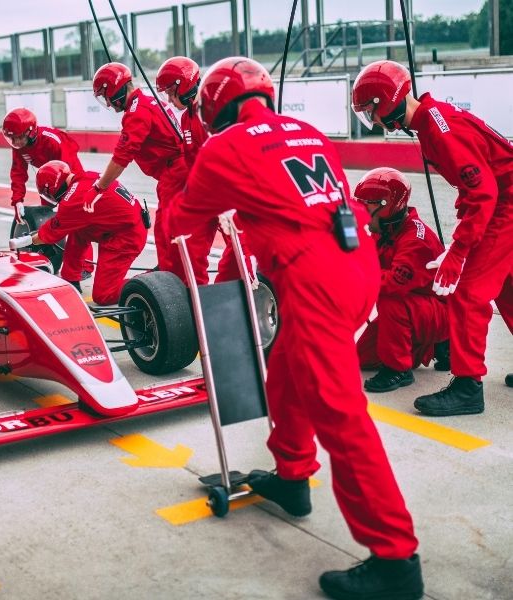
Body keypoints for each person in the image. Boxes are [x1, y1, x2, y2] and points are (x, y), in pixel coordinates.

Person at [171, 57, 422, 600]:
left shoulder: (221, 147)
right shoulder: (306, 131)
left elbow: (181, 221)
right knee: (285, 369)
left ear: (217, 107)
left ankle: (395, 560)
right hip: (359, 264)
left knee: (341, 416)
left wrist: (194, 166)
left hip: (316, 281)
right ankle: (291, 476)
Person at [352, 60, 512, 416]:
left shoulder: (437, 129)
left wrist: (459, 251)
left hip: (506, 203)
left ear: (384, 103)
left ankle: (468, 387)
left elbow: (483, 192)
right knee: (505, 286)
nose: (375, 123)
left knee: (469, 293)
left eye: (371, 113)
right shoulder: (432, 121)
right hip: (504, 199)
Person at [353, 167, 449, 392]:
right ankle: (436, 346)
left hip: (438, 312)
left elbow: (392, 283)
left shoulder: (416, 241)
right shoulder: (386, 230)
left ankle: (398, 370)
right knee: (362, 358)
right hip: (417, 309)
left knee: (391, 300)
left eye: (368, 204)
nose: (362, 209)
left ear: (388, 205)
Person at [91, 62, 188, 279]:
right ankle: (172, 270)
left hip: (174, 172)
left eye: (105, 96)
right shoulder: (148, 100)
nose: (107, 102)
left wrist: (100, 186)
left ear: (114, 89)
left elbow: (122, 156)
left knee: (165, 229)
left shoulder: (137, 112)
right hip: (177, 169)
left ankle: (171, 277)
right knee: (172, 227)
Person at [11, 160, 146, 305]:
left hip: (125, 237)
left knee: (104, 295)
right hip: (124, 225)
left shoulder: (72, 201)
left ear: (51, 189)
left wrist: (26, 240)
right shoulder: (86, 176)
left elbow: (48, 235)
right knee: (77, 230)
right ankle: (71, 279)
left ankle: (150, 281)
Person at [2, 107, 93, 277]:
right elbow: (17, 173)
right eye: (12, 138)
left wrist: (67, 200)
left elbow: (69, 166)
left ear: (30, 132)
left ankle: (84, 266)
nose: (16, 143)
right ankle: (50, 260)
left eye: (19, 138)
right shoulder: (18, 146)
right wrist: (17, 201)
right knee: (50, 223)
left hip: (70, 177)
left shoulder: (52, 140)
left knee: (76, 223)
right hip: (48, 183)